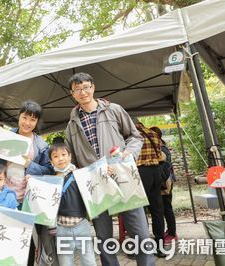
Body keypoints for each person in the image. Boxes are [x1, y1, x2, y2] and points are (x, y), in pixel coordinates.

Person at [64, 72, 155, 266]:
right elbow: (70, 160)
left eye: (86, 87)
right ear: (72, 94)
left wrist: (127, 155)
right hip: (96, 185)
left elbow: (135, 137)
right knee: (104, 238)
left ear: (93, 87)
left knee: (140, 232)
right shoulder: (71, 126)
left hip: (122, 176)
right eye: (77, 89)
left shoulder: (114, 110)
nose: (83, 92)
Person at [0, 100, 53, 265]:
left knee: (25, 241)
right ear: (19, 117)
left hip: (27, 200)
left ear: (37, 122)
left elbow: (49, 171)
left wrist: (30, 165)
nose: (27, 123)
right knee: (5, 240)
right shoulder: (4, 137)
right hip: (5, 197)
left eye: (33, 119)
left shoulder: (41, 145)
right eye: (25, 117)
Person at [49, 141, 96, 266]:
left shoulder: (80, 174)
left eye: (64, 154)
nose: (60, 158)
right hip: (61, 228)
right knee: (65, 263)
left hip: (81, 225)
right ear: (51, 161)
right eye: (55, 156)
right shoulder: (50, 181)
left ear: (70, 157)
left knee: (89, 261)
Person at [133, 119, 165, 256]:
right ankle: (160, 247)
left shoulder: (132, 135)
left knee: (139, 210)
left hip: (141, 172)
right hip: (156, 171)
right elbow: (160, 154)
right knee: (157, 210)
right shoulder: (153, 134)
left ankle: (143, 247)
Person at [150, 126, 178, 245]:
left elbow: (165, 170)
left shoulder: (162, 149)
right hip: (163, 183)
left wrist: (158, 182)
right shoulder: (161, 147)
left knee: (167, 208)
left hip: (165, 183)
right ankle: (170, 231)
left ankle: (172, 234)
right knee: (164, 209)